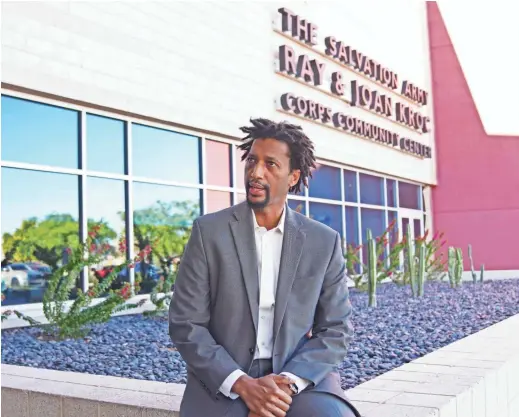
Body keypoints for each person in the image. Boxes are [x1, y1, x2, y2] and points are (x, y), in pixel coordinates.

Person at [169, 118, 360, 417]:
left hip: (297, 377)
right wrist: (244, 385)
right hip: (224, 378)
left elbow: (335, 329)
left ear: (293, 176)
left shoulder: (323, 242)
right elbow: (186, 323)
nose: (256, 173)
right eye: (252, 162)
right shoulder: (209, 232)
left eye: (271, 164)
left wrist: (282, 387)